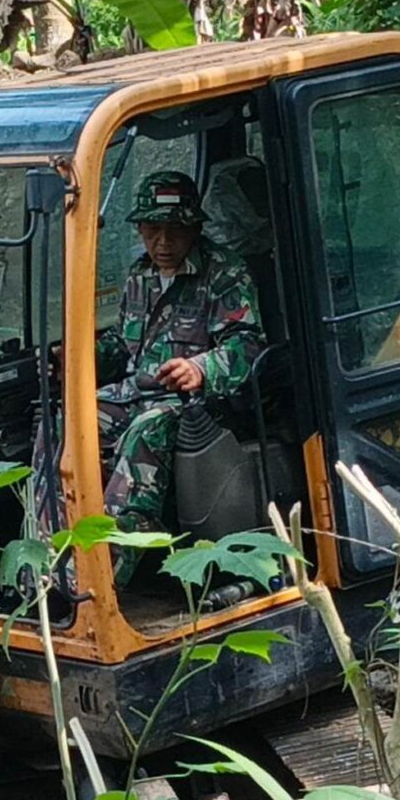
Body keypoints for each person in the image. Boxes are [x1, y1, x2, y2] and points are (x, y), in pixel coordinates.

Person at [94, 170, 264, 547]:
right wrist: (78, 357)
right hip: (136, 393)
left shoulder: (224, 272)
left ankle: (110, 564)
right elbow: (124, 343)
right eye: (153, 229)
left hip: (197, 405)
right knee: (67, 421)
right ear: (139, 228)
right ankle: (50, 546)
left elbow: (247, 346)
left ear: (194, 229)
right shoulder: (140, 275)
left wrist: (199, 369)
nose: (164, 241)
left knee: (145, 432)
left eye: (175, 229)